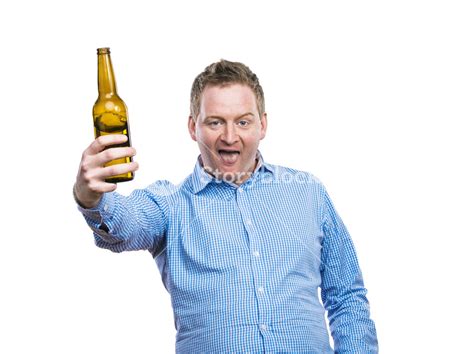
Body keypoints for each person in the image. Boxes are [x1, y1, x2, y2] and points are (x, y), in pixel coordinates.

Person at [74, 59, 378, 353]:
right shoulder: (171, 204)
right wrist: (91, 196)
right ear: (193, 127)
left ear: (263, 125)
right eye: (215, 122)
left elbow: (347, 296)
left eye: (243, 121)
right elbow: (124, 226)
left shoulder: (308, 192)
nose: (230, 136)